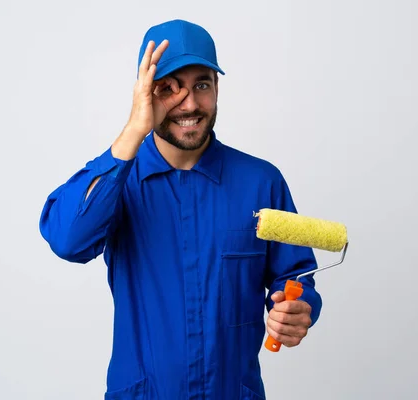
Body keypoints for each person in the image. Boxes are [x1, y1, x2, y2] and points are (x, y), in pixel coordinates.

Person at [39, 19, 322, 400]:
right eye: (168, 89)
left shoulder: (263, 182)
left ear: (218, 88)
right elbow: (67, 240)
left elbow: (297, 275)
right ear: (145, 93)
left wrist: (301, 306)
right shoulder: (117, 183)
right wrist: (133, 131)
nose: (189, 104)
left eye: (202, 85)